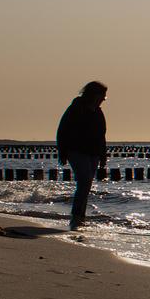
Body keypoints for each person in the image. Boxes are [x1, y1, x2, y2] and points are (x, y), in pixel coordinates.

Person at [56, 81, 108, 229]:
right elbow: (63, 130)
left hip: (94, 153)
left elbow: (102, 135)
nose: (103, 99)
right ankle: (76, 216)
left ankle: (81, 217)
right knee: (84, 181)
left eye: (105, 97)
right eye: (101, 96)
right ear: (93, 95)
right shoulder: (76, 108)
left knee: (86, 185)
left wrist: (103, 156)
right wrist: (62, 152)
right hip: (76, 151)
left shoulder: (98, 112)